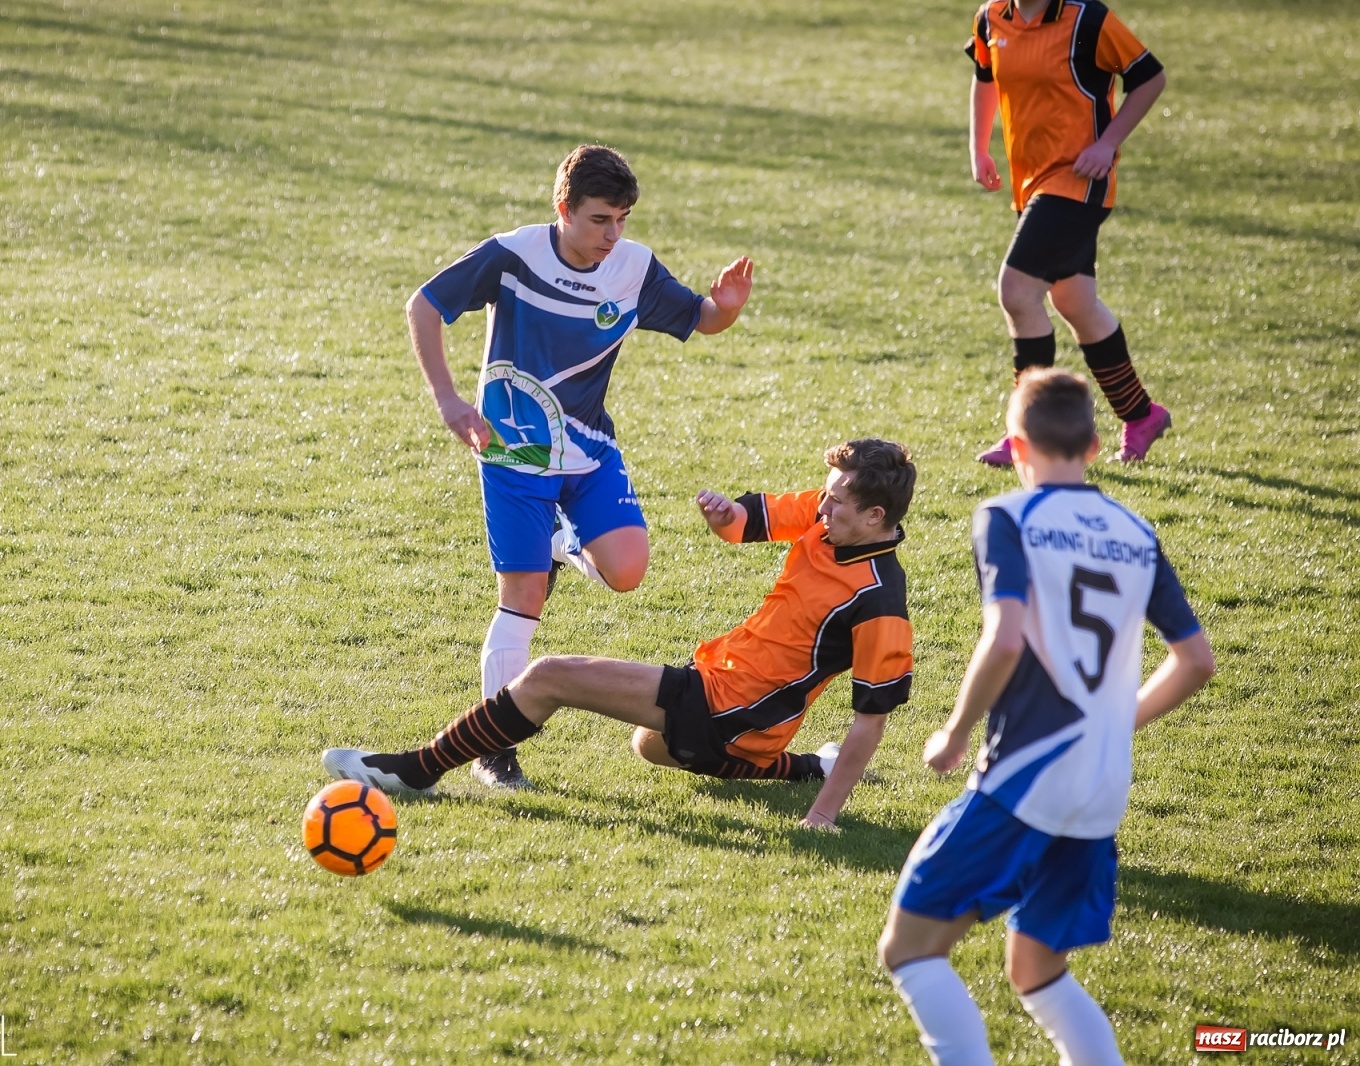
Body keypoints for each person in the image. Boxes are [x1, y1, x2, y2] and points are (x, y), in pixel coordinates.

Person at [879, 369, 1215, 1065]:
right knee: (1037, 970)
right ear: (1093, 446)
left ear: (1016, 447)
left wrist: (955, 731)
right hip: (1101, 789)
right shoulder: (1137, 532)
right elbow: (1196, 661)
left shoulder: (1009, 518)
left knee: (909, 949)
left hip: (1025, 777)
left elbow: (1005, 638)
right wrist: (1115, 722)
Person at [323, 439, 916, 831]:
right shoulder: (832, 519)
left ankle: (418, 769)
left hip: (729, 709)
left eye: (837, 502)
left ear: (875, 518)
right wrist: (724, 516)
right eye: (825, 494)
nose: (822, 508)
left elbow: (871, 719)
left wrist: (823, 816)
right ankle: (805, 766)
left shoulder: (879, 602)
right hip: (725, 691)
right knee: (650, 745)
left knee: (549, 676)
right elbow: (745, 524)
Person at [405, 144, 755, 789]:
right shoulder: (513, 255)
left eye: (621, 219)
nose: (611, 234)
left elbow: (700, 319)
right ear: (563, 210)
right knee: (522, 596)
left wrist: (726, 306)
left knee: (627, 572)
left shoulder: (633, 267)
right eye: (599, 219)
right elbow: (424, 305)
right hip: (513, 452)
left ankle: (561, 543)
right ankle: (494, 750)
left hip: (590, 448)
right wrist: (449, 399)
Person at [965, 0, 1172, 466]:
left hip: (1078, 180)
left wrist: (1108, 143)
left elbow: (1150, 78)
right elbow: (985, 76)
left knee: (1017, 292)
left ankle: (1029, 433)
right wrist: (978, 148)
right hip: (1030, 183)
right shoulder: (990, 18)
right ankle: (1142, 414)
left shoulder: (1088, 20)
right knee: (1074, 302)